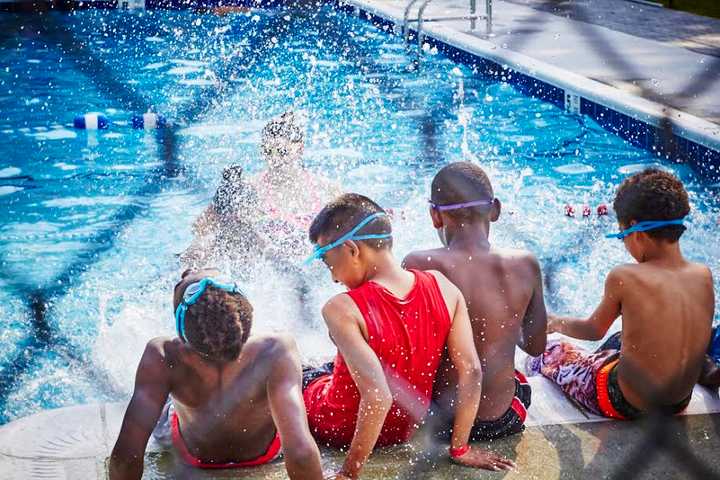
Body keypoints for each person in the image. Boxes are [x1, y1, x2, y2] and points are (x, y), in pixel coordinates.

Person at [302, 193, 515, 479]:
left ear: (352, 250)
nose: (333, 278)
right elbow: (472, 371)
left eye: (328, 262)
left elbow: (377, 396)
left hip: (339, 426)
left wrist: (349, 473)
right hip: (406, 427)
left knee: (300, 370)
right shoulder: (443, 287)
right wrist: (460, 449)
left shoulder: (341, 308)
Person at [529, 168, 715, 419]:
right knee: (620, 337)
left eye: (621, 236)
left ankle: (569, 366)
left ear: (635, 232)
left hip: (624, 401)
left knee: (548, 353)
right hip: (678, 401)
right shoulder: (703, 275)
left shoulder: (625, 277)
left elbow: (593, 330)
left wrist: (555, 322)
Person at [109, 268, 323, 480]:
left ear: (182, 331)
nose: (192, 270)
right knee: (300, 379)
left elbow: (126, 457)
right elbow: (301, 453)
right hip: (265, 452)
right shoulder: (275, 349)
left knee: (154, 402)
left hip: (192, 454)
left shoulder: (163, 353)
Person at [403, 162, 547, 441]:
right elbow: (536, 346)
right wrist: (506, 321)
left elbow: (409, 347)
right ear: (495, 210)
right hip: (500, 420)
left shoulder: (419, 263)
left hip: (438, 420)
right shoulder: (525, 265)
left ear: (435, 215)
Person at [181, 111, 342, 268]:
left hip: (307, 265)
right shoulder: (249, 187)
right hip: (266, 265)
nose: (274, 159)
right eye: (268, 152)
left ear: (299, 149)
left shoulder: (326, 189)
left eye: (282, 152)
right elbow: (201, 226)